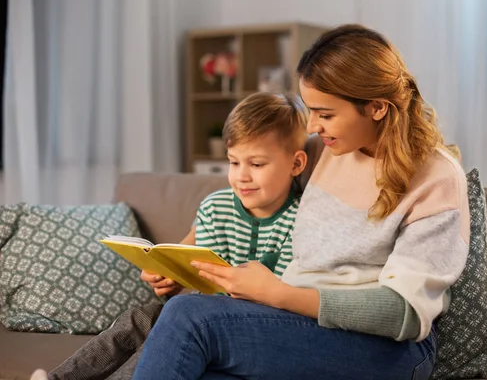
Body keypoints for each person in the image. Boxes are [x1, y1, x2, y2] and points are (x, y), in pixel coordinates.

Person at [131, 24, 470, 380]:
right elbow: (246, 192)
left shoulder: (437, 178)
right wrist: (178, 264)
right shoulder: (325, 150)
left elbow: (404, 313)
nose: (312, 126)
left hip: (389, 350)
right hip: (298, 325)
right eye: (310, 111)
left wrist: (278, 294)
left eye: (325, 114)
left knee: (188, 317)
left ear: (376, 108)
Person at [31, 92, 309, 380]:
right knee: (139, 318)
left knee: (163, 337)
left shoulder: (303, 218)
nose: (242, 176)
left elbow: (288, 296)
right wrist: (166, 275)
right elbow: (181, 253)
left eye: (257, 164)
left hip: (250, 328)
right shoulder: (217, 206)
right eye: (234, 162)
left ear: (296, 164)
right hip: (200, 317)